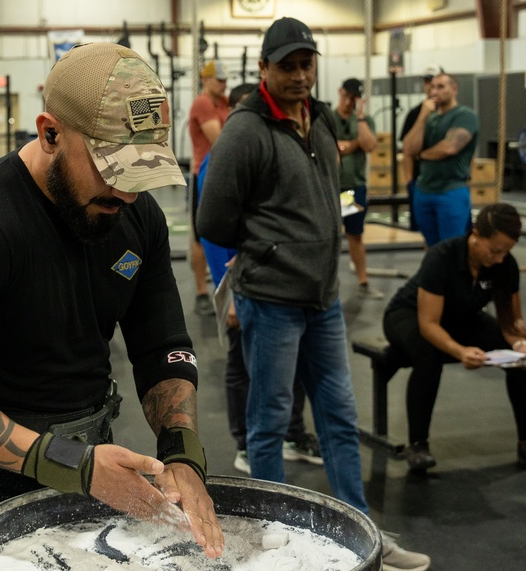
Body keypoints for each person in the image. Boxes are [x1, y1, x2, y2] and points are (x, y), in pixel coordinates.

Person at [0, 42, 224, 571]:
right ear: (50, 133)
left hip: (92, 483)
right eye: (110, 166)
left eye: (141, 171)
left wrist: (182, 453)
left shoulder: (136, 217)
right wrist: (75, 465)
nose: (127, 193)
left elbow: (162, 345)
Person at [197, 18, 430, 571]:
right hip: (271, 300)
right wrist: (273, 249)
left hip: (323, 300)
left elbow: (329, 195)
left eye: (307, 65)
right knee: (270, 421)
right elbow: (212, 219)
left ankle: (363, 531)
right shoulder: (245, 131)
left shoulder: (320, 120)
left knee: (339, 419)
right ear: (264, 70)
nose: (301, 76)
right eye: (288, 66)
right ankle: (273, 534)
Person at [198, 82, 322, 475]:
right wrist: (231, 294)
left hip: (281, 288)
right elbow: (214, 235)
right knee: (240, 363)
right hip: (243, 287)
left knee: (293, 364)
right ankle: (245, 444)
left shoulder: (274, 150)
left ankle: (291, 432)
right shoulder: (219, 161)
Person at [383, 203, 526, 471]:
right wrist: (460, 351)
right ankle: (418, 444)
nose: (499, 258)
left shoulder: (504, 265)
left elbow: (510, 321)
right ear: (475, 235)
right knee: (429, 354)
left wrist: (520, 342)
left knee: (521, 361)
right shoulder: (443, 257)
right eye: (495, 250)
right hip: (409, 315)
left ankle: (525, 441)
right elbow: (428, 325)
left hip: (460, 316)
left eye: (505, 252)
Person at [402, 72, 478, 247]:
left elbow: (449, 148)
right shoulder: (428, 118)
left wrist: (421, 155)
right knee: (432, 248)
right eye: (432, 86)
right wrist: (422, 116)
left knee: (451, 247)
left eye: (441, 86)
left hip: (451, 191)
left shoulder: (465, 115)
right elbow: (408, 149)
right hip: (424, 191)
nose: (434, 91)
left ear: (454, 89)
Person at [187, 60, 229, 317]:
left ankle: (222, 285)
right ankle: (202, 292)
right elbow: (222, 140)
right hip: (204, 176)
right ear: (206, 79)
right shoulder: (203, 103)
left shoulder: (223, 103)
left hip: (223, 177)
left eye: (225, 80)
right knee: (201, 236)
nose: (223, 84)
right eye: (219, 80)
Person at [335, 77, 383, 299]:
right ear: (339, 93)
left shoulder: (363, 120)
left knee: (355, 234)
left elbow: (369, 145)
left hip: (351, 189)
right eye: (346, 96)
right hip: (330, 187)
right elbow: (330, 147)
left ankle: (363, 280)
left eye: (353, 98)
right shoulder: (328, 118)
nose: (348, 101)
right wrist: (352, 145)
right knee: (328, 235)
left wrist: (361, 115)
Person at [399, 64, 443, 231]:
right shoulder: (415, 113)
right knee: (425, 230)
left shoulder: (454, 114)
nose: (431, 88)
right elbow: (407, 150)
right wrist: (410, 181)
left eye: (436, 83)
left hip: (445, 182)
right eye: (427, 83)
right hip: (421, 181)